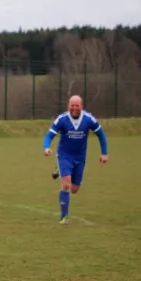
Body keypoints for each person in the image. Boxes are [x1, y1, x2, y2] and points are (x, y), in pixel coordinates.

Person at [43, 95, 108, 224]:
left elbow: (101, 134)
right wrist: (46, 147)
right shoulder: (62, 119)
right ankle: (64, 217)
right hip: (64, 155)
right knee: (66, 183)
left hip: (80, 157)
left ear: (81, 106)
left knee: (74, 189)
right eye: (72, 105)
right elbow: (49, 135)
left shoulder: (89, 119)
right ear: (68, 106)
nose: (74, 108)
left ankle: (59, 169)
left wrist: (104, 153)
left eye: (77, 105)